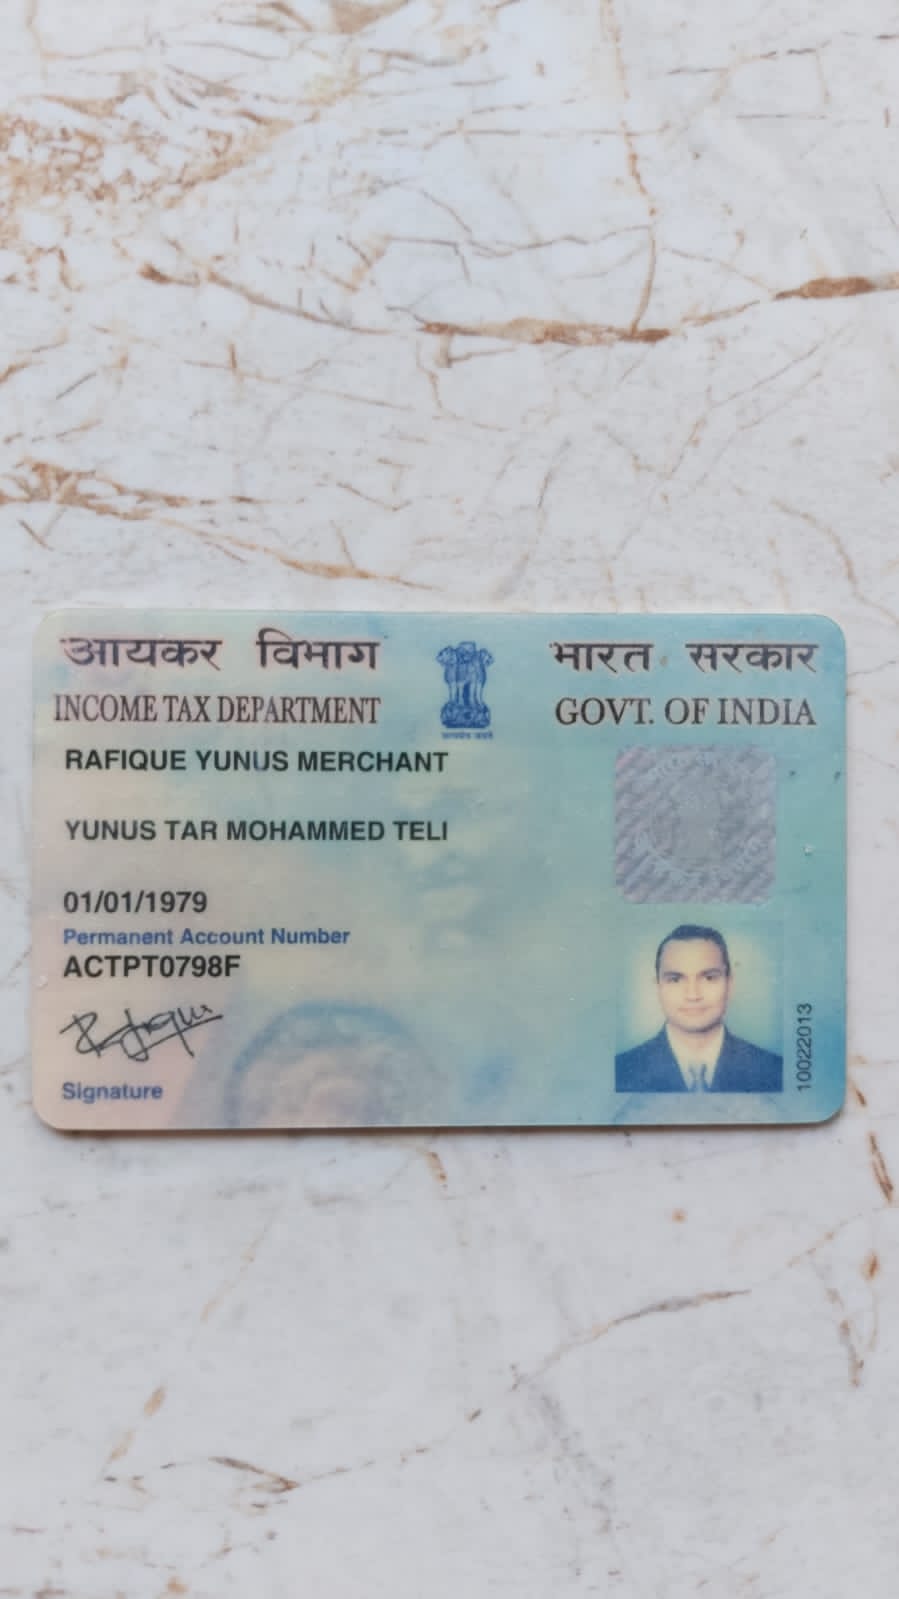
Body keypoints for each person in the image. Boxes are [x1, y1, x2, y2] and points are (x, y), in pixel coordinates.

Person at [615, 924, 782, 1093]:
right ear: (658, 987)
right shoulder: (621, 1071)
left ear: (729, 985)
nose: (693, 995)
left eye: (709, 978)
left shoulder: (775, 1071)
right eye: (675, 979)